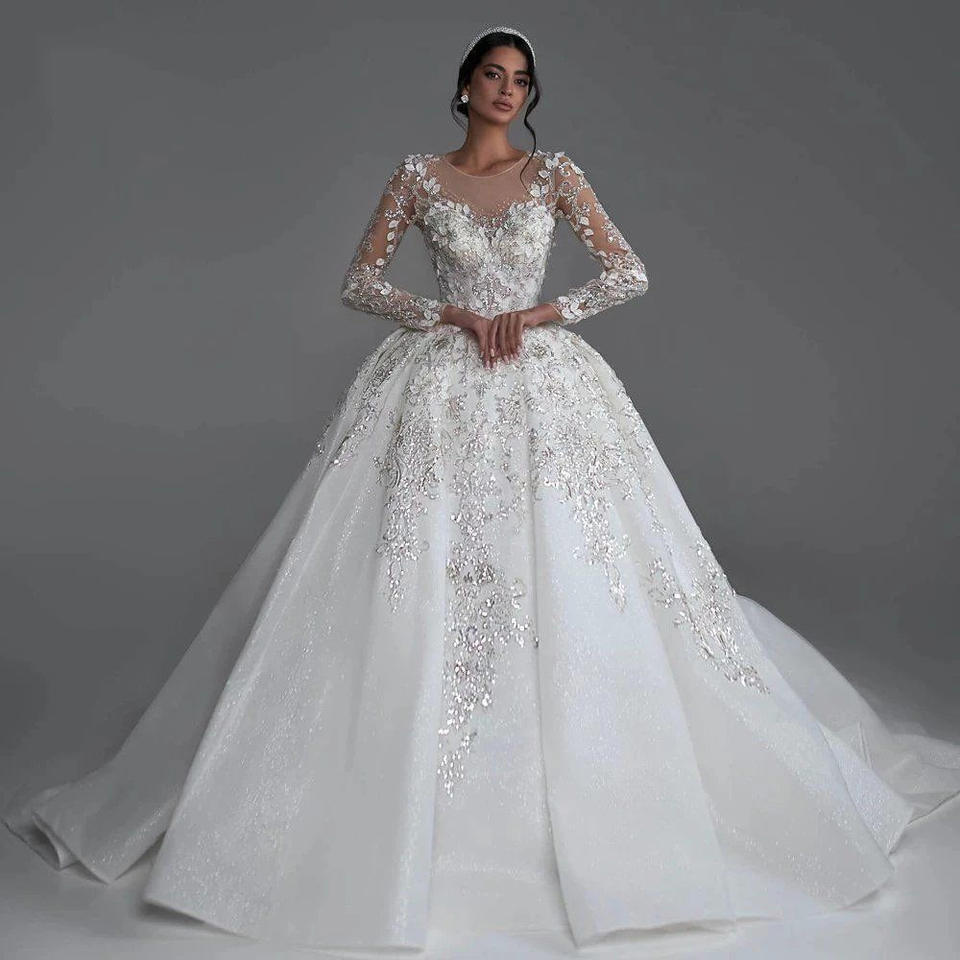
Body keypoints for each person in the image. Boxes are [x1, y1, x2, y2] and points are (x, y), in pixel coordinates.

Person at [5, 24, 960, 954]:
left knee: (582, 565)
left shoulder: (555, 174)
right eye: (494, 75)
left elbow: (627, 270)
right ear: (464, 86)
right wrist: (450, 314)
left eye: (521, 80)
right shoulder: (418, 177)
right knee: (415, 567)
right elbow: (361, 282)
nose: (508, 90)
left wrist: (540, 314)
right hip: (440, 385)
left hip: (545, 383)